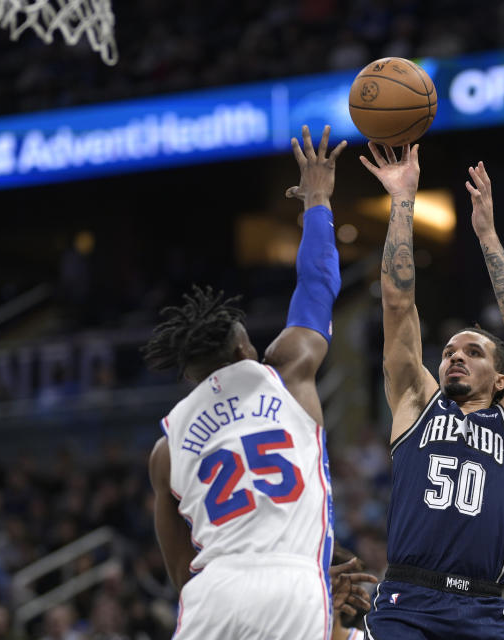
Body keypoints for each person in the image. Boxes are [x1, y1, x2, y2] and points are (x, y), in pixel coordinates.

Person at [145, 125, 353, 640]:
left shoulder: (166, 448)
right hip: (291, 583)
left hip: (213, 590)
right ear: (244, 349)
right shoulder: (288, 370)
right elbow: (318, 282)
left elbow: (177, 569)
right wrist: (319, 201)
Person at [358, 144, 504, 639]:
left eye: (473, 352)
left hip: (480, 610)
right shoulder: (417, 403)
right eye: (450, 350)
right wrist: (403, 200)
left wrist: (487, 235)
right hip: (404, 600)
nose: (456, 355)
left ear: (502, 380)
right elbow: (396, 303)